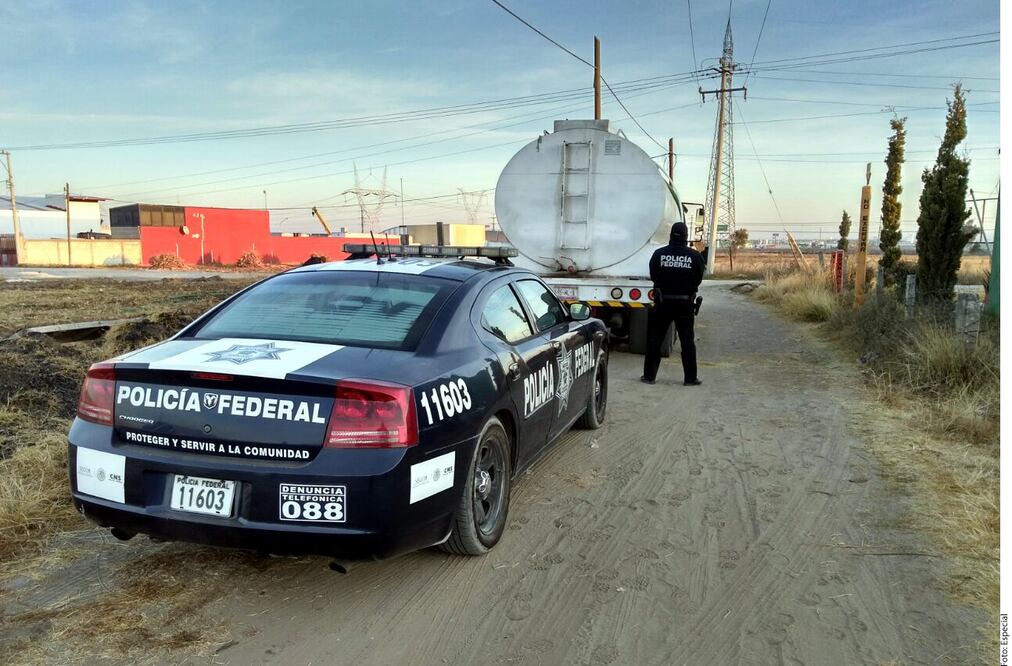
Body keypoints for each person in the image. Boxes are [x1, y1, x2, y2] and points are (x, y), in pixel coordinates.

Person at [641, 222, 705, 386]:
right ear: (686, 236)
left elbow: (653, 275)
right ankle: (690, 378)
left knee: (655, 340)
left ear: (671, 235)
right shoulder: (694, 256)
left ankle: (649, 377)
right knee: (687, 342)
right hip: (685, 305)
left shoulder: (659, 254)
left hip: (663, 303)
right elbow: (698, 278)